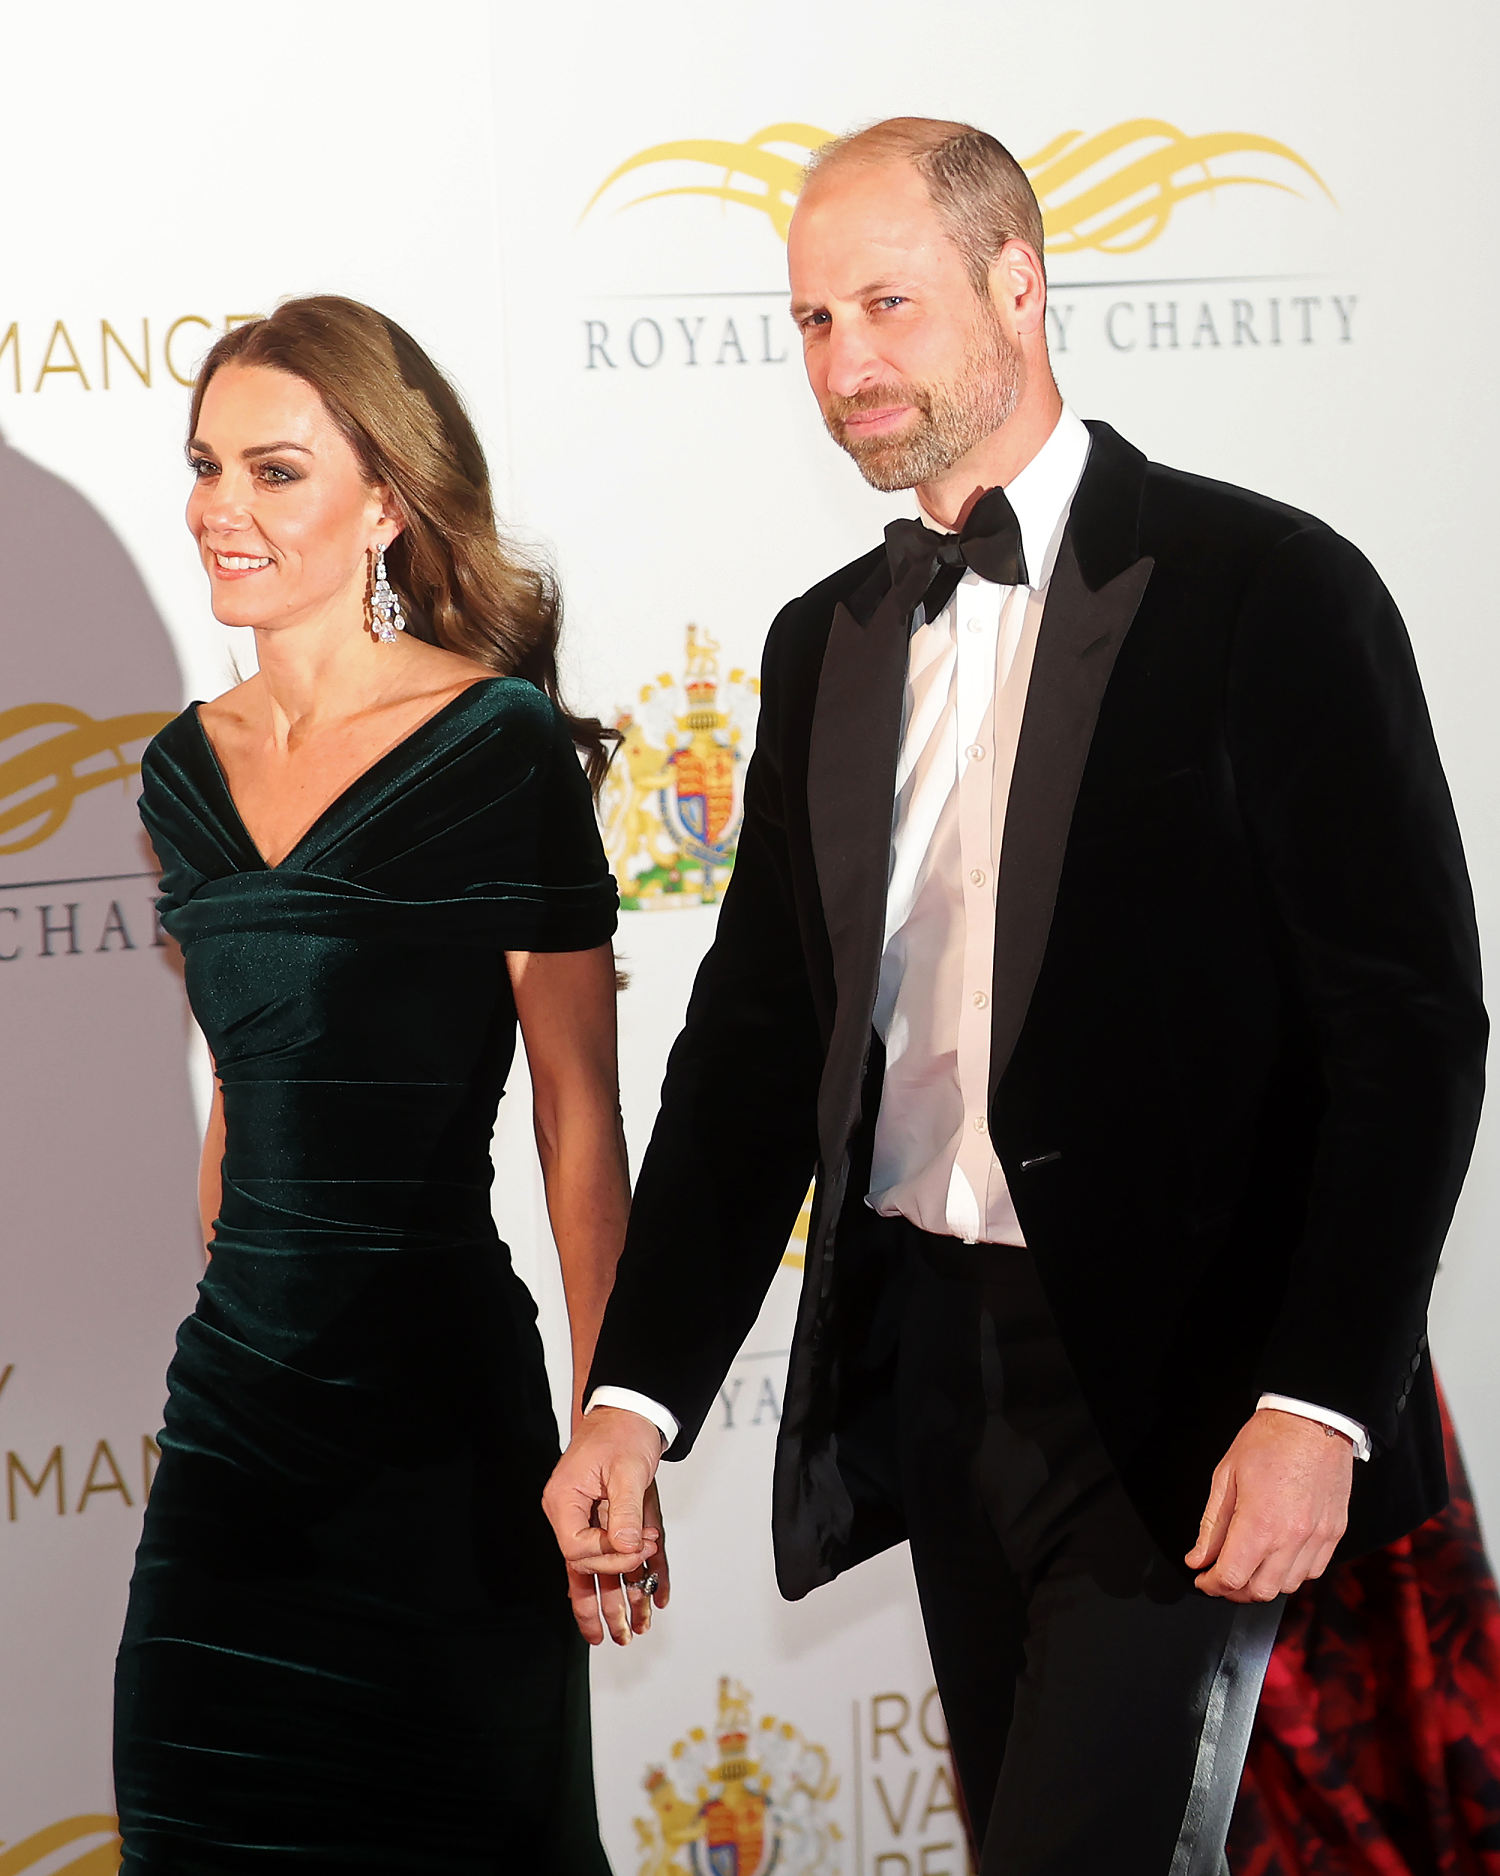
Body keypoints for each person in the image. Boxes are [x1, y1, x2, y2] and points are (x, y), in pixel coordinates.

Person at [542, 119, 1487, 1874]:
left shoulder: (1265, 588)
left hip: (1190, 1387)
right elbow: (756, 1049)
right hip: (943, 1376)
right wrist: (635, 1393)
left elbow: (1409, 1024)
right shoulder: (825, 637)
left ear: (1019, 284)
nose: (847, 364)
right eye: (814, 322)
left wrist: (1317, 1402)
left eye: (887, 304)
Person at [114, 296, 654, 1873]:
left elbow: (577, 1121)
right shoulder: (180, 770)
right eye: (208, 464)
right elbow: (244, 1084)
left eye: (277, 471)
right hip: (234, 1436)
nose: (225, 507)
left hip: (438, 1430)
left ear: (385, 505)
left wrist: (603, 1427)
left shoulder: (494, 748)